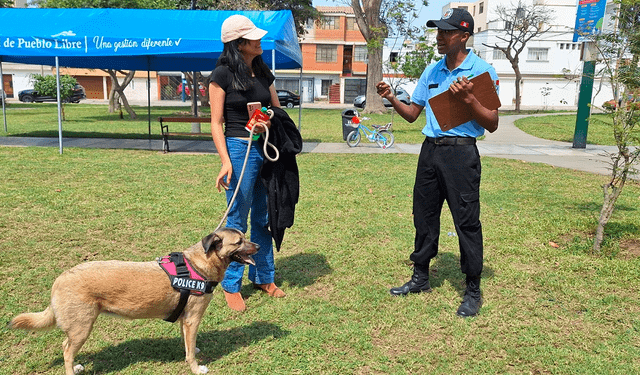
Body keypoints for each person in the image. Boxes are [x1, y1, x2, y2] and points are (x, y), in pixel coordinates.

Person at [377, 8, 499, 317]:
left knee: (467, 221)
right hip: (430, 151)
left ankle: (472, 288)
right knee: (424, 214)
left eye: (446, 32)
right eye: (438, 31)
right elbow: (412, 114)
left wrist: (470, 100)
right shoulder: (432, 71)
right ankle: (420, 276)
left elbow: (493, 123)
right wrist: (392, 98)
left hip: (461, 154)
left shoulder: (482, 71)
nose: (439, 37)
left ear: (464, 36)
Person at [209, 14, 285, 312]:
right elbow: (216, 123)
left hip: (266, 148)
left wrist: (269, 118)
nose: (259, 40)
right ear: (239, 44)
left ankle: (264, 277)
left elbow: (277, 109)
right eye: (254, 36)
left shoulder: (264, 73)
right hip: (239, 149)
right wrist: (225, 162)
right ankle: (230, 284)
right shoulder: (221, 75)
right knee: (237, 221)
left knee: (264, 218)